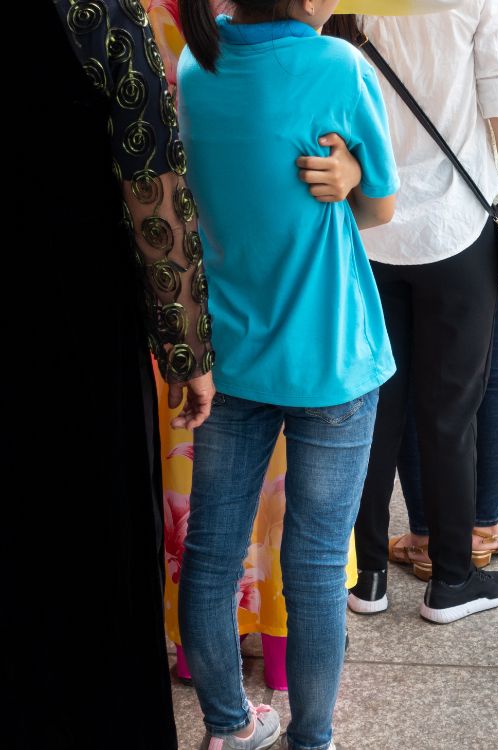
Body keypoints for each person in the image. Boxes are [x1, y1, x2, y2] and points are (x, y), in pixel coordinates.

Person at [175, 1, 398, 749]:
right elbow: (380, 209)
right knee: (314, 563)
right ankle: (314, 739)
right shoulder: (336, 65)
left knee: (210, 556)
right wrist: (355, 172)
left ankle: (229, 730)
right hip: (331, 358)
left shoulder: (194, 65)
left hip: (230, 360)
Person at [22, 2, 215, 746]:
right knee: (87, 543)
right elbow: (155, 193)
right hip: (76, 326)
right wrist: (187, 350)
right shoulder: (104, 14)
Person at [329, 6, 498, 625]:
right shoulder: (476, 2)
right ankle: (451, 580)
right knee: (451, 412)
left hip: (368, 226)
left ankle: (365, 577)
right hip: (456, 231)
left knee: (372, 407)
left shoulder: (347, 3)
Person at [383, 0, 498, 580]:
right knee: (468, 394)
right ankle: (466, 553)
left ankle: (396, 554)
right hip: (467, 221)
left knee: (393, 393)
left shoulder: (355, 8)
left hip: (375, 222)